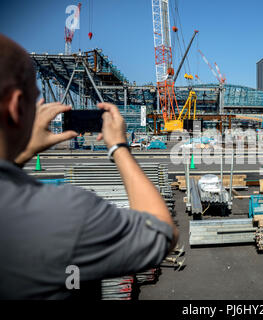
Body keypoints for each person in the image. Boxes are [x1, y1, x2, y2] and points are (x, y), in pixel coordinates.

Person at [0, 34, 178, 299]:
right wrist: (118, 147)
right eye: (36, 99)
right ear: (16, 107)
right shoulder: (64, 212)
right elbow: (162, 233)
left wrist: (18, 154)